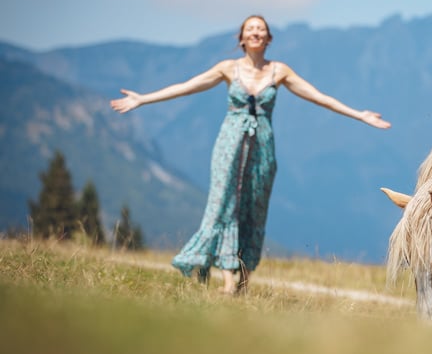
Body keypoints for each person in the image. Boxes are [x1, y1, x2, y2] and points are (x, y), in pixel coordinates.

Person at [111, 15, 391, 295]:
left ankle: (243, 278)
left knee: (254, 209)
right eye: (250, 29)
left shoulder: (279, 71)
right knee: (224, 204)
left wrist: (359, 115)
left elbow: (319, 97)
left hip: (262, 149)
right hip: (229, 145)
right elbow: (186, 86)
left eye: (261, 29)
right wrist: (143, 99)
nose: (256, 33)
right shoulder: (228, 69)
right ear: (242, 38)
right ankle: (227, 280)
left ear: (268, 39)